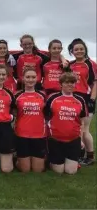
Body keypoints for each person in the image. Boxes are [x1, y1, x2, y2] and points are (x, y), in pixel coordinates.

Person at [44, 72, 87, 174]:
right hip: (55, 139)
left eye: (72, 82)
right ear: (61, 84)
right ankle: (50, 160)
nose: (70, 85)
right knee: (59, 171)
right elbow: (46, 118)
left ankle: (71, 160)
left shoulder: (80, 100)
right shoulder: (52, 98)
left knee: (70, 172)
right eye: (67, 82)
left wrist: (80, 140)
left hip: (73, 140)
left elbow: (82, 122)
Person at [67, 38, 96, 166]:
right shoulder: (71, 65)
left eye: (81, 49)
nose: (79, 51)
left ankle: (89, 156)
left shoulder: (91, 64)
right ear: (72, 51)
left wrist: (92, 99)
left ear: (85, 50)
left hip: (86, 98)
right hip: (73, 98)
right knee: (75, 128)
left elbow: (95, 83)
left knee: (84, 129)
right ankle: (79, 154)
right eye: (76, 49)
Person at [14, 67, 47, 172]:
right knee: (25, 170)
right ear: (23, 78)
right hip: (22, 134)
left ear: (37, 78)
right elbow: (13, 112)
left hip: (39, 134)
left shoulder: (42, 95)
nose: (30, 79)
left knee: (38, 170)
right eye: (28, 77)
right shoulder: (17, 95)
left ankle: (43, 158)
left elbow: (47, 113)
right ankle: (17, 159)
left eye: (33, 77)